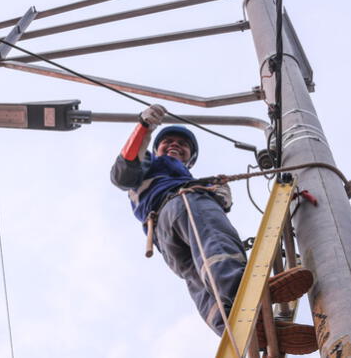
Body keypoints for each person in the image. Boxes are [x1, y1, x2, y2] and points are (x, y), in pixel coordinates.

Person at [110, 104, 318, 354]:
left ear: (190, 157)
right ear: (156, 148)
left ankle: (236, 323)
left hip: (165, 238)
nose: (174, 145)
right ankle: (247, 292)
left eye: (182, 144)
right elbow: (123, 171)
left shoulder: (186, 178)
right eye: (168, 141)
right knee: (216, 243)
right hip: (183, 204)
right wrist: (144, 127)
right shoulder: (150, 163)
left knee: (199, 280)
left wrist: (216, 192)